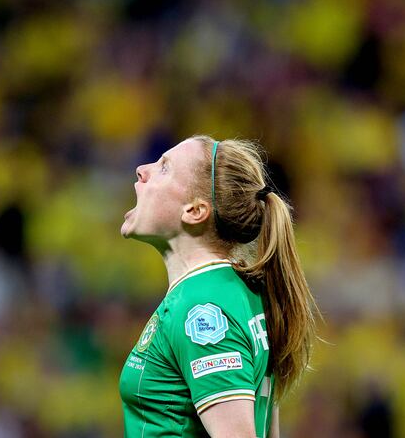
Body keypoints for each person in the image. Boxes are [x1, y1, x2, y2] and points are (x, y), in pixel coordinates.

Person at [118, 135, 319, 438]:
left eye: (164, 168)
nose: (141, 170)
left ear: (195, 211)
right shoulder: (238, 292)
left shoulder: (203, 307)